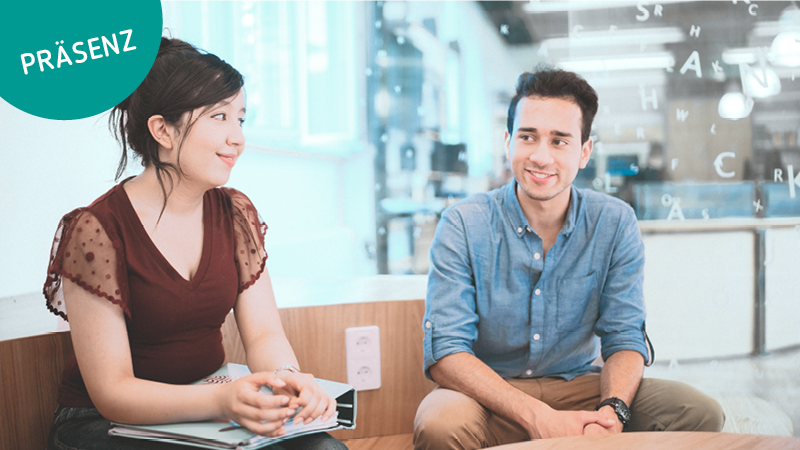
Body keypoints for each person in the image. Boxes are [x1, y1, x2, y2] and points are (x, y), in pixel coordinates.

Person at [43, 37, 347, 450]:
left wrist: (289, 379)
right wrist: (220, 399)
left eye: (240, 118)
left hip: (209, 404)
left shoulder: (236, 212)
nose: (237, 138)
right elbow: (112, 392)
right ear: (163, 130)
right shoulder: (95, 230)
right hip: (103, 423)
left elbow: (263, 335)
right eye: (219, 117)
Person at [413, 67, 725, 450]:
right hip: (492, 395)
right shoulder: (463, 223)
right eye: (528, 137)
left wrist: (612, 412)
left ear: (584, 151)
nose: (541, 157)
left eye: (560, 141)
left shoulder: (614, 222)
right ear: (508, 142)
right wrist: (535, 415)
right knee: (439, 425)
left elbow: (625, 335)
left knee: (698, 411)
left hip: (581, 386)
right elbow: (446, 350)